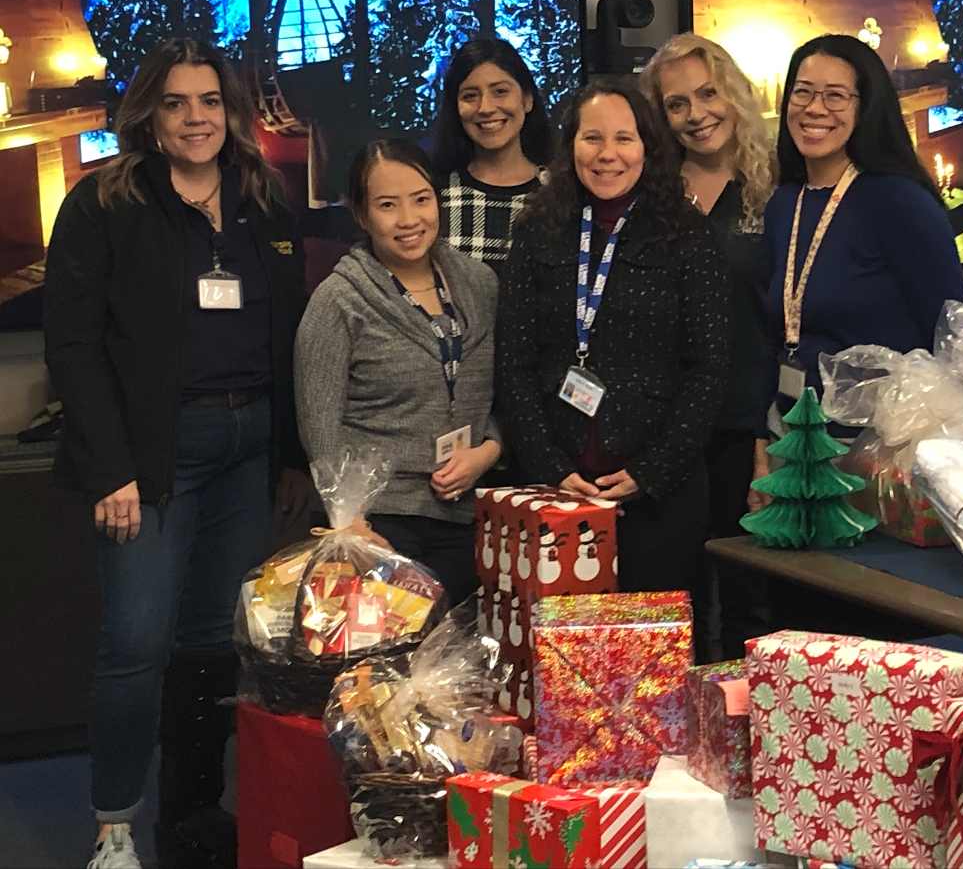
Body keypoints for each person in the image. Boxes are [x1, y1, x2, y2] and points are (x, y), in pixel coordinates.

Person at [44, 38, 306, 869]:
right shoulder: (103, 204)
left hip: (248, 447)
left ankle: (192, 816)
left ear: (232, 112)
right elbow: (73, 346)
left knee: (210, 642)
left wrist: (291, 455)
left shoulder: (262, 199)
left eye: (210, 101)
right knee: (135, 644)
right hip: (151, 458)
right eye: (176, 103)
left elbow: (288, 333)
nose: (196, 119)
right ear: (148, 116)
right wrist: (110, 468)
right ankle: (114, 826)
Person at [496, 79, 729, 599]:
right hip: (557, 492)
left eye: (624, 138)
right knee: (559, 644)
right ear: (570, 146)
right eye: (592, 138)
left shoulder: (687, 234)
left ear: (648, 146)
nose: (608, 155)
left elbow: (710, 368)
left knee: (652, 646)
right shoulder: (537, 230)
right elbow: (513, 361)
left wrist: (652, 471)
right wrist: (551, 467)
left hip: (660, 493)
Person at [295, 139, 500, 602]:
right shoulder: (339, 301)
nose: (409, 220)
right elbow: (319, 425)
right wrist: (349, 522)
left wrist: (488, 451)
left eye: (421, 199)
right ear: (362, 215)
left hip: (467, 513)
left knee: (462, 644)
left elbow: (504, 391)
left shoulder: (479, 284)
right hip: (379, 523)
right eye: (388, 205)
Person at [766, 33, 963, 424]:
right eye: (802, 92)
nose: (814, 108)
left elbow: (948, 335)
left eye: (835, 96)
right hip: (792, 429)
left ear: (865, 108)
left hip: (879, 438)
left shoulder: (900, 201)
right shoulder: (784, 204)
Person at [640, 34, 777, 540]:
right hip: (660, 430)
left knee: (746, 576)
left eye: (708, 93)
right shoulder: (648, 193)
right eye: (677, 104)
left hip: (747, 424)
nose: (696, 114)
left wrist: (770, 434)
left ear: (734, 94)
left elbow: (784, 322)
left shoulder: (777, 187)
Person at [431, 38, 551, 277]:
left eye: (500, 92)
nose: (485, 107)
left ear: (527, 99)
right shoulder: (433, 195)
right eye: (470, 96)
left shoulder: (558, 192)